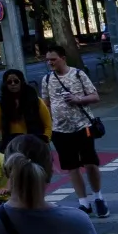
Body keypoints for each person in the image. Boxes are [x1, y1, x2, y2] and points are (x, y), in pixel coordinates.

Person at [42, 44, 107, 217]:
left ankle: (98, 198)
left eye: (53, 59)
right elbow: (46, 104)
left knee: (90, 163)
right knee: (72, 167)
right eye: (48, 60)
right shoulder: (47, 79)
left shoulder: (78, 74)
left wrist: (78, 99)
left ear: (63, 58)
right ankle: (83, 202)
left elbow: (95, 96)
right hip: (60, 131)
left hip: (83, 126)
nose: (50, 63)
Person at [0, 68, 52, 143]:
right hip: (12, 145)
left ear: (21, 82)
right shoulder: (2, 104)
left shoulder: (35, 101)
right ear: (5, 84)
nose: (13, 84)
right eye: (9, 82)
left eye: (16, 81)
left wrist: (44, 140)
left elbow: (48, 125)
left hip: (35, 143)